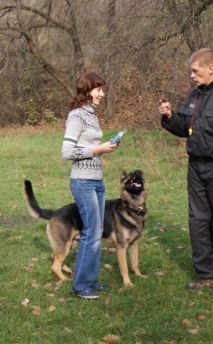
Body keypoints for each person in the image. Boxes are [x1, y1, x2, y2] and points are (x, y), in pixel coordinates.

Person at [159, 48, 213, 298]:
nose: (191, 76)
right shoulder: (194, 96)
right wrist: (169, 117)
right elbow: (185, 127)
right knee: (198, 223)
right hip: (196, 168)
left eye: (195, 71)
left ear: (212, 68)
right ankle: (207, 275)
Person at [62, 72, 117, 299]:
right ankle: (81, 286)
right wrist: (97, 149)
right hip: (82, 182)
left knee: (97, 232)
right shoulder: (76, 116)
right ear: (87, 90)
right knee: (91, 233)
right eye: (98, 90)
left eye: (102, 90)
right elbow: (66, 152)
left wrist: (106, 146)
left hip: (97, 182)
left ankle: (92, 282)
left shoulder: (92, 116)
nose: (102, 94)